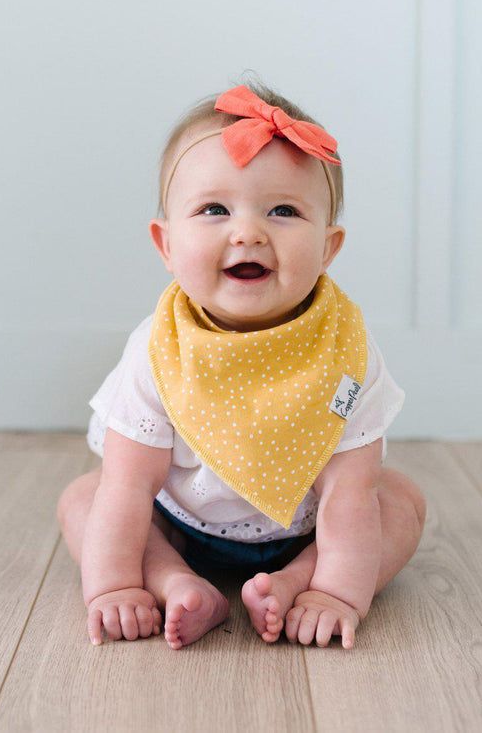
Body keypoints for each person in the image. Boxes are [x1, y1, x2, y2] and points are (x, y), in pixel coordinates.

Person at [57, 79, 426, 650]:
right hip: (180, 523)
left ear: (328, 248)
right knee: (85, 497)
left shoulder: (345, 352)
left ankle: (298, 584)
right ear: (166, 245)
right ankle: (172, 581)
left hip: (306, 532)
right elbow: (129, 486)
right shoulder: (159, 349)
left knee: (401, 503)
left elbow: (348, 493)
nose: (248, 232)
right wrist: (114, 587)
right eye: (214, 209)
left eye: (284, 210)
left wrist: (338, 593)